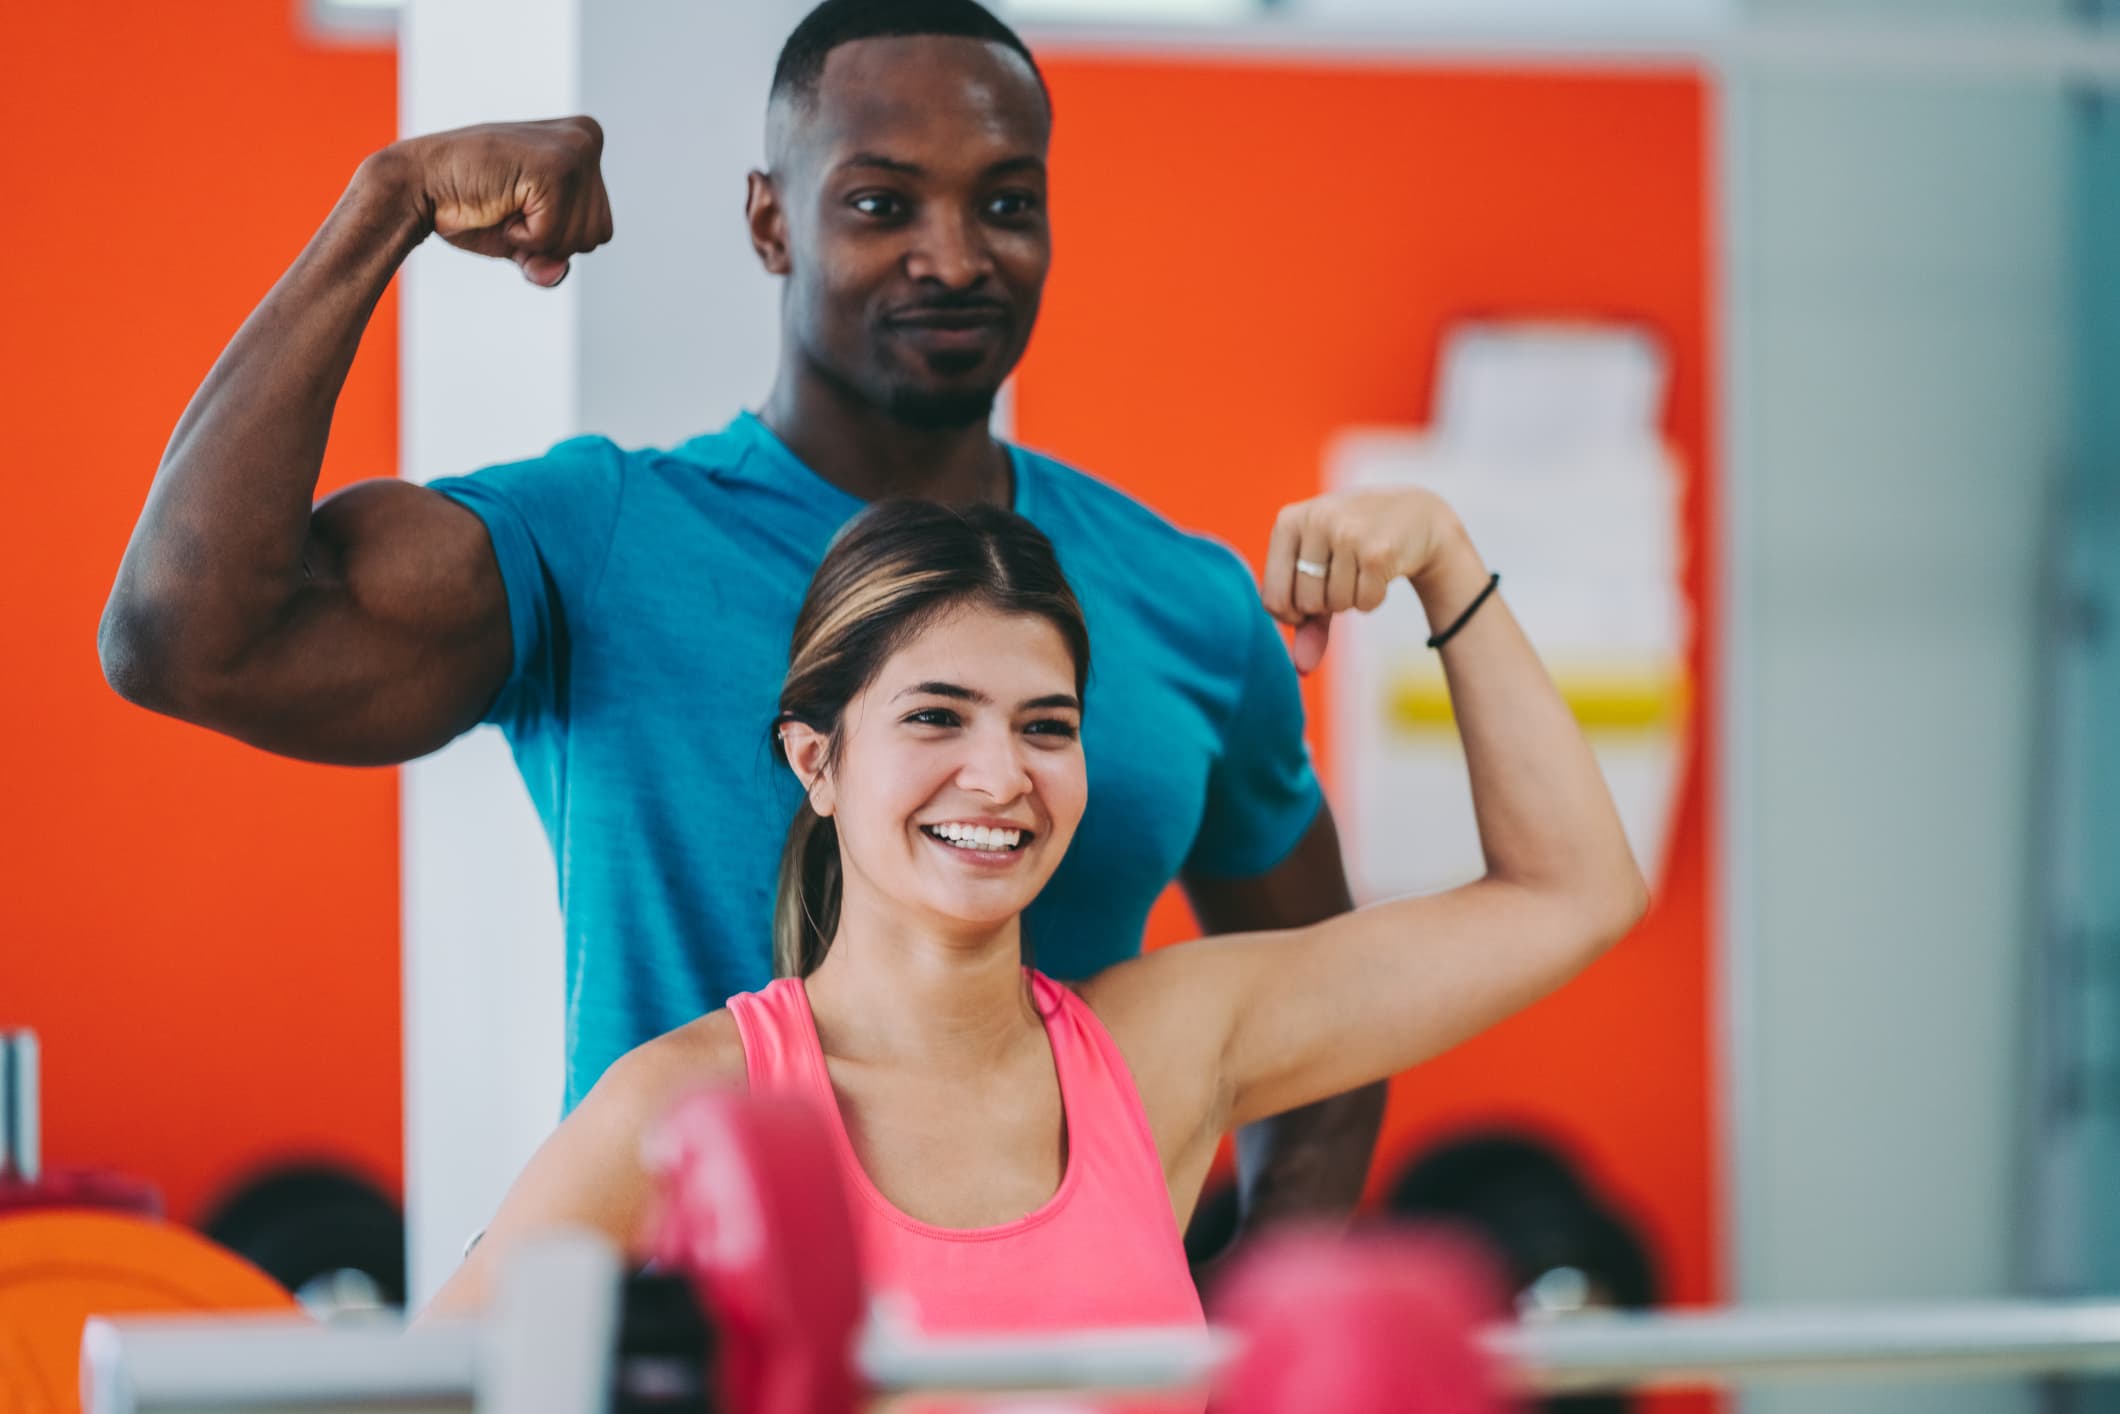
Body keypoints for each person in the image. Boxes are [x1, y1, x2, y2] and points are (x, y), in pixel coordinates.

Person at [97, 0, 1387, 1235]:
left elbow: (1337, 1018)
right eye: (880, 203)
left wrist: (1241, 1332)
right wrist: (386, 204)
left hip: (1039, 1372)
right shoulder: (601, 541)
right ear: (769, 223)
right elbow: (183, 638)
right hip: (686, 1357)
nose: (952, 254)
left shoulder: (1184, 600)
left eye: (1005, 203)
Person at [419, 486, 1647, 1349]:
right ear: (817, 762)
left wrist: (1442, 556)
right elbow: (402, 1396)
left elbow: (1570, 892)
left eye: (1044, 727)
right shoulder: (683, 1107)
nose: (1000, 775)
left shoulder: (1160, 1052)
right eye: (935, 717)